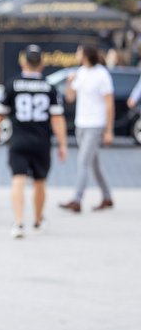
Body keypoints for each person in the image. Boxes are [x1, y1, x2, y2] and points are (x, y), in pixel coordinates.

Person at [0, 45, 68, 238]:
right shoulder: (49, 87)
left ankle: (18, 222)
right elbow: (57, 118)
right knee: (40, 181)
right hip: (41, 141)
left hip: (18, 139)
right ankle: (38, 219)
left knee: (18, 179)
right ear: (41, 64)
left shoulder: (12, 84)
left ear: (24, 62)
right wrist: (62, 144)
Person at [60, 45, 114, 213]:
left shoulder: (102, 74)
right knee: (94, 163)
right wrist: (69, 82)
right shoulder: (81, 72)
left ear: (85, 55)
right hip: (81, 124)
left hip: (95, 125)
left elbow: (109, 104)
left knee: (83, 161)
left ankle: (77, 199)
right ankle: (107, 196)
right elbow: (70, 97)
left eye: (78, 52)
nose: (76, 54)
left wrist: (108, 130)